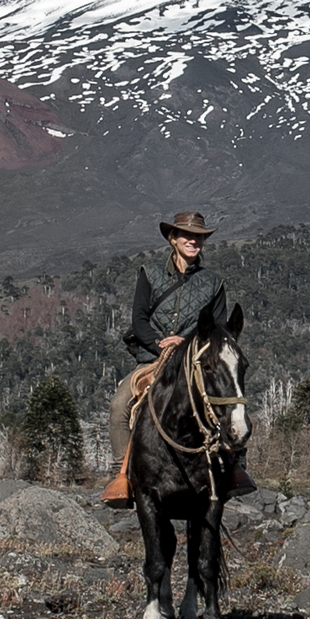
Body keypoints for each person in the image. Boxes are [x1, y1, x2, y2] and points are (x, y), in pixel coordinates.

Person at [101, 211, 254, 508]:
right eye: (187, 235)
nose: (193, 240)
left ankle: (234, 468)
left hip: (195, 360)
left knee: (224, 399)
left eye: (198, 236)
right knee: (120, 405)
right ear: (173, 238)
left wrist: (185, 344)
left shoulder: (213, 282)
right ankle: (124, 473)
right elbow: (139, 318)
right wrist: (160, 343)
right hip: (154, 359)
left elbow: (218, 330)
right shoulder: (150, 273)